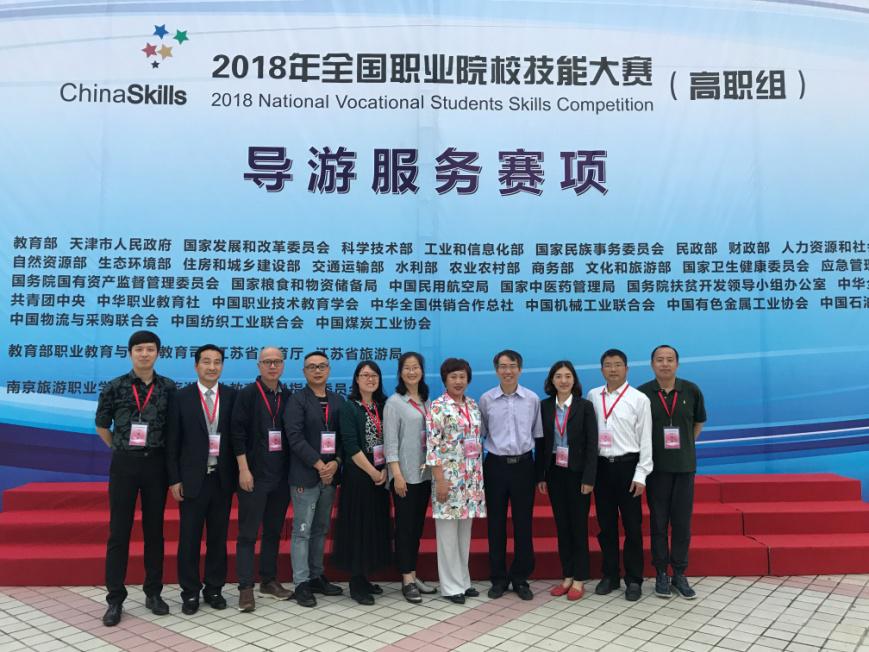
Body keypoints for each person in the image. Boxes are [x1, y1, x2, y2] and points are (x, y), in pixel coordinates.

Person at [95, 330, 176, 626]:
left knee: (155, 531)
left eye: (150, 349)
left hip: (156, 465)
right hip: (125, 466)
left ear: (158, 353)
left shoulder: (168, 387)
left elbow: (173, 430)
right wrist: (120, 447)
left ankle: (153, 593)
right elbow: (102, 425)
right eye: (139, 349)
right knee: (119, 532)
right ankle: (115, 599)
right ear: (130, 353)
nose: (144, 354)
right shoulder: (115, 386)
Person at [166, 344, 237, 614]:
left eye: (217, 362)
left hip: (221, 479)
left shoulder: (231, 396)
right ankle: (190, 592)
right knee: (190, 539)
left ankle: (214, 589)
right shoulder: (180, 397)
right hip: (192, 481)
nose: (212, 367)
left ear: (222, 366)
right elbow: (172, 442)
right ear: (196, 366)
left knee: (218, 538)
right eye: (206, 362)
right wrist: (174, 479)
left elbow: (237, 438)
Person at [638, 345, 707, 600]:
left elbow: (698, 423)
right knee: (658, 522)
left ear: (677, 363)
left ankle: (679, 573)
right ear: (652, 364)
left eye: (669, 360)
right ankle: (660, 573)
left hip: (684, 468)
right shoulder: (642, 393)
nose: (665, 364)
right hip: (655, 469)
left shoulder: (691, 390)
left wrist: (685, 446)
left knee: (681, 523)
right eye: (660, 360)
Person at [230, 347, 293, 612]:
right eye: (267, 362)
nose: (272, 366)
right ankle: (245, 588)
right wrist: (243, 469)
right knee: (247, 533)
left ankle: (268, 580)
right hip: (254, 475)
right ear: (259, 366)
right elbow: (237, 433)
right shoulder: (247, 394)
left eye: (277, 362)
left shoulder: (288, 395)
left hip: (280, 476)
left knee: (273, 531)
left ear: (283, 365)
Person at [587, 349, 653, 602]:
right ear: (601, 369)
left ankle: (634, 579)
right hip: (602, 468)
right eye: (608, 365)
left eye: (617, 365)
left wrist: (641, 474)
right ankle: (610, 575)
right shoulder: (593, 396)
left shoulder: (639, 399)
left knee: (632, 526)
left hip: (628, 467)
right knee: (606, 526)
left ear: (627, 369)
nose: (613, 369)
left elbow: (645, 438)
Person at [479, 349, 543, 600]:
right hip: (495, 466)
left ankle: (520, 578)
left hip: (524, 466)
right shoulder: (486, 400)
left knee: (523, 523)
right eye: (503, 366)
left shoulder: (531, 399)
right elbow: (482, 433)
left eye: (512, 366)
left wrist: (540, 474)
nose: (508, 371)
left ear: (520, 369)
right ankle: (498, 578)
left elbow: (538, 435)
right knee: (495, 524)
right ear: (496, 370)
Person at [284, 351, 345, 607]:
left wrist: (336, 462)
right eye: (311, 367)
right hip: (305, 475)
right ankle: (301, 583)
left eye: (321, 366)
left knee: (321, 529)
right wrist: (320, 465)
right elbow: (294, 437)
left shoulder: (338, 400)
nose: (317, 371)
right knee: (302, 531)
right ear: (304, 372)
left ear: (328, 370)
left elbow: (344, 437)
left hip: (329, 476)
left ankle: (316, 576)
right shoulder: (297, 400)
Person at [534, 361, 598, 601]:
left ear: (574, 380)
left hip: (578, 474)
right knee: (562, 526)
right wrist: (541, 476)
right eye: (558, 376)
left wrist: (589, 477)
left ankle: (580, 578)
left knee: (578, 526)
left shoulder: (585, 407)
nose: (563, 380)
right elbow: (540, 444)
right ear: (552, 380)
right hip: (554, 473)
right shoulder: (544, 406)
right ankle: (567, 576)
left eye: (568, 376)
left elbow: (592, 444)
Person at [332, 361, 392, 605]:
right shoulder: (349, 407)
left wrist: (385, 469)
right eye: (365, 375)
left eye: (374, 375)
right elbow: (350, 445)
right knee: (357, 527)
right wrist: (373, 472)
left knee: (373, 526)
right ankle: (356, 582)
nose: (370, 379)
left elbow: (391, 440)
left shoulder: (382, 406)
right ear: (356, 379)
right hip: (359, 475)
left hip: (381, 473)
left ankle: (366, 576)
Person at [427, 358, 486, 604]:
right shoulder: (438, 407)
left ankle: (463, 581)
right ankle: (451, 587)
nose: (458, 381)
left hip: (471, 480)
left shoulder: (472, 404)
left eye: (462, 376)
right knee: (447, 536)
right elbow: (432, 447)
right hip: (448, 480)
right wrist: (440, 480)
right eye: (453, 377)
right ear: (445, 380)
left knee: (464, 534)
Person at [384, 352, 436, 603]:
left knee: (416, 527)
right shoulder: (394, 403)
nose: (412, 372)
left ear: (422, 371)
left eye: (416, 367)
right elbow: (390, 442)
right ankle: (406, 578)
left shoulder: (427, 401)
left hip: (424, 474)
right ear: (400, 372)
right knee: (404, 527)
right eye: (407, 368)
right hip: (404, 475)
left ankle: (413, 573)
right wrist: (396, 474)